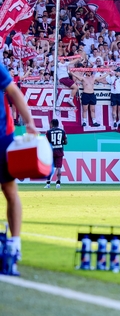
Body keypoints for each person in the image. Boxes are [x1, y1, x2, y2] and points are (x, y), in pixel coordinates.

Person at [0, 62, 39, 275]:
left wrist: (29, 122)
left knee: (9, 190)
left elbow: (13, 91)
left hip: (2, 137)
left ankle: (15, 244)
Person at [45, 119, 67, 189]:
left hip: (51, 151)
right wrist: (60, 143)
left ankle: (48, 184)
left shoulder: (48, 132)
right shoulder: (62, 131)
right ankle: (58, 184)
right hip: (59, 151)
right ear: (58, 124)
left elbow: (46, 142)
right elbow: (66, 142)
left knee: (49, 167)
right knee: (58, 167)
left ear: (51, 124)